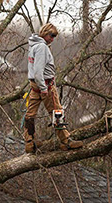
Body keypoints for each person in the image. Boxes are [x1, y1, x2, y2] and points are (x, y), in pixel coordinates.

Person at [24, 23, 83, 153]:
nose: (52, 39)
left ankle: (29, 142)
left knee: (30, 114)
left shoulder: (33, 45)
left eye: (54, 36)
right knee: (57, 112)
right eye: (51, 36)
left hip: (34, 86)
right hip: (45, 85)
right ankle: (66, 141)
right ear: (45, 33)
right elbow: (38, 70)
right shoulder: (42, 47)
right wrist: (44, 88)